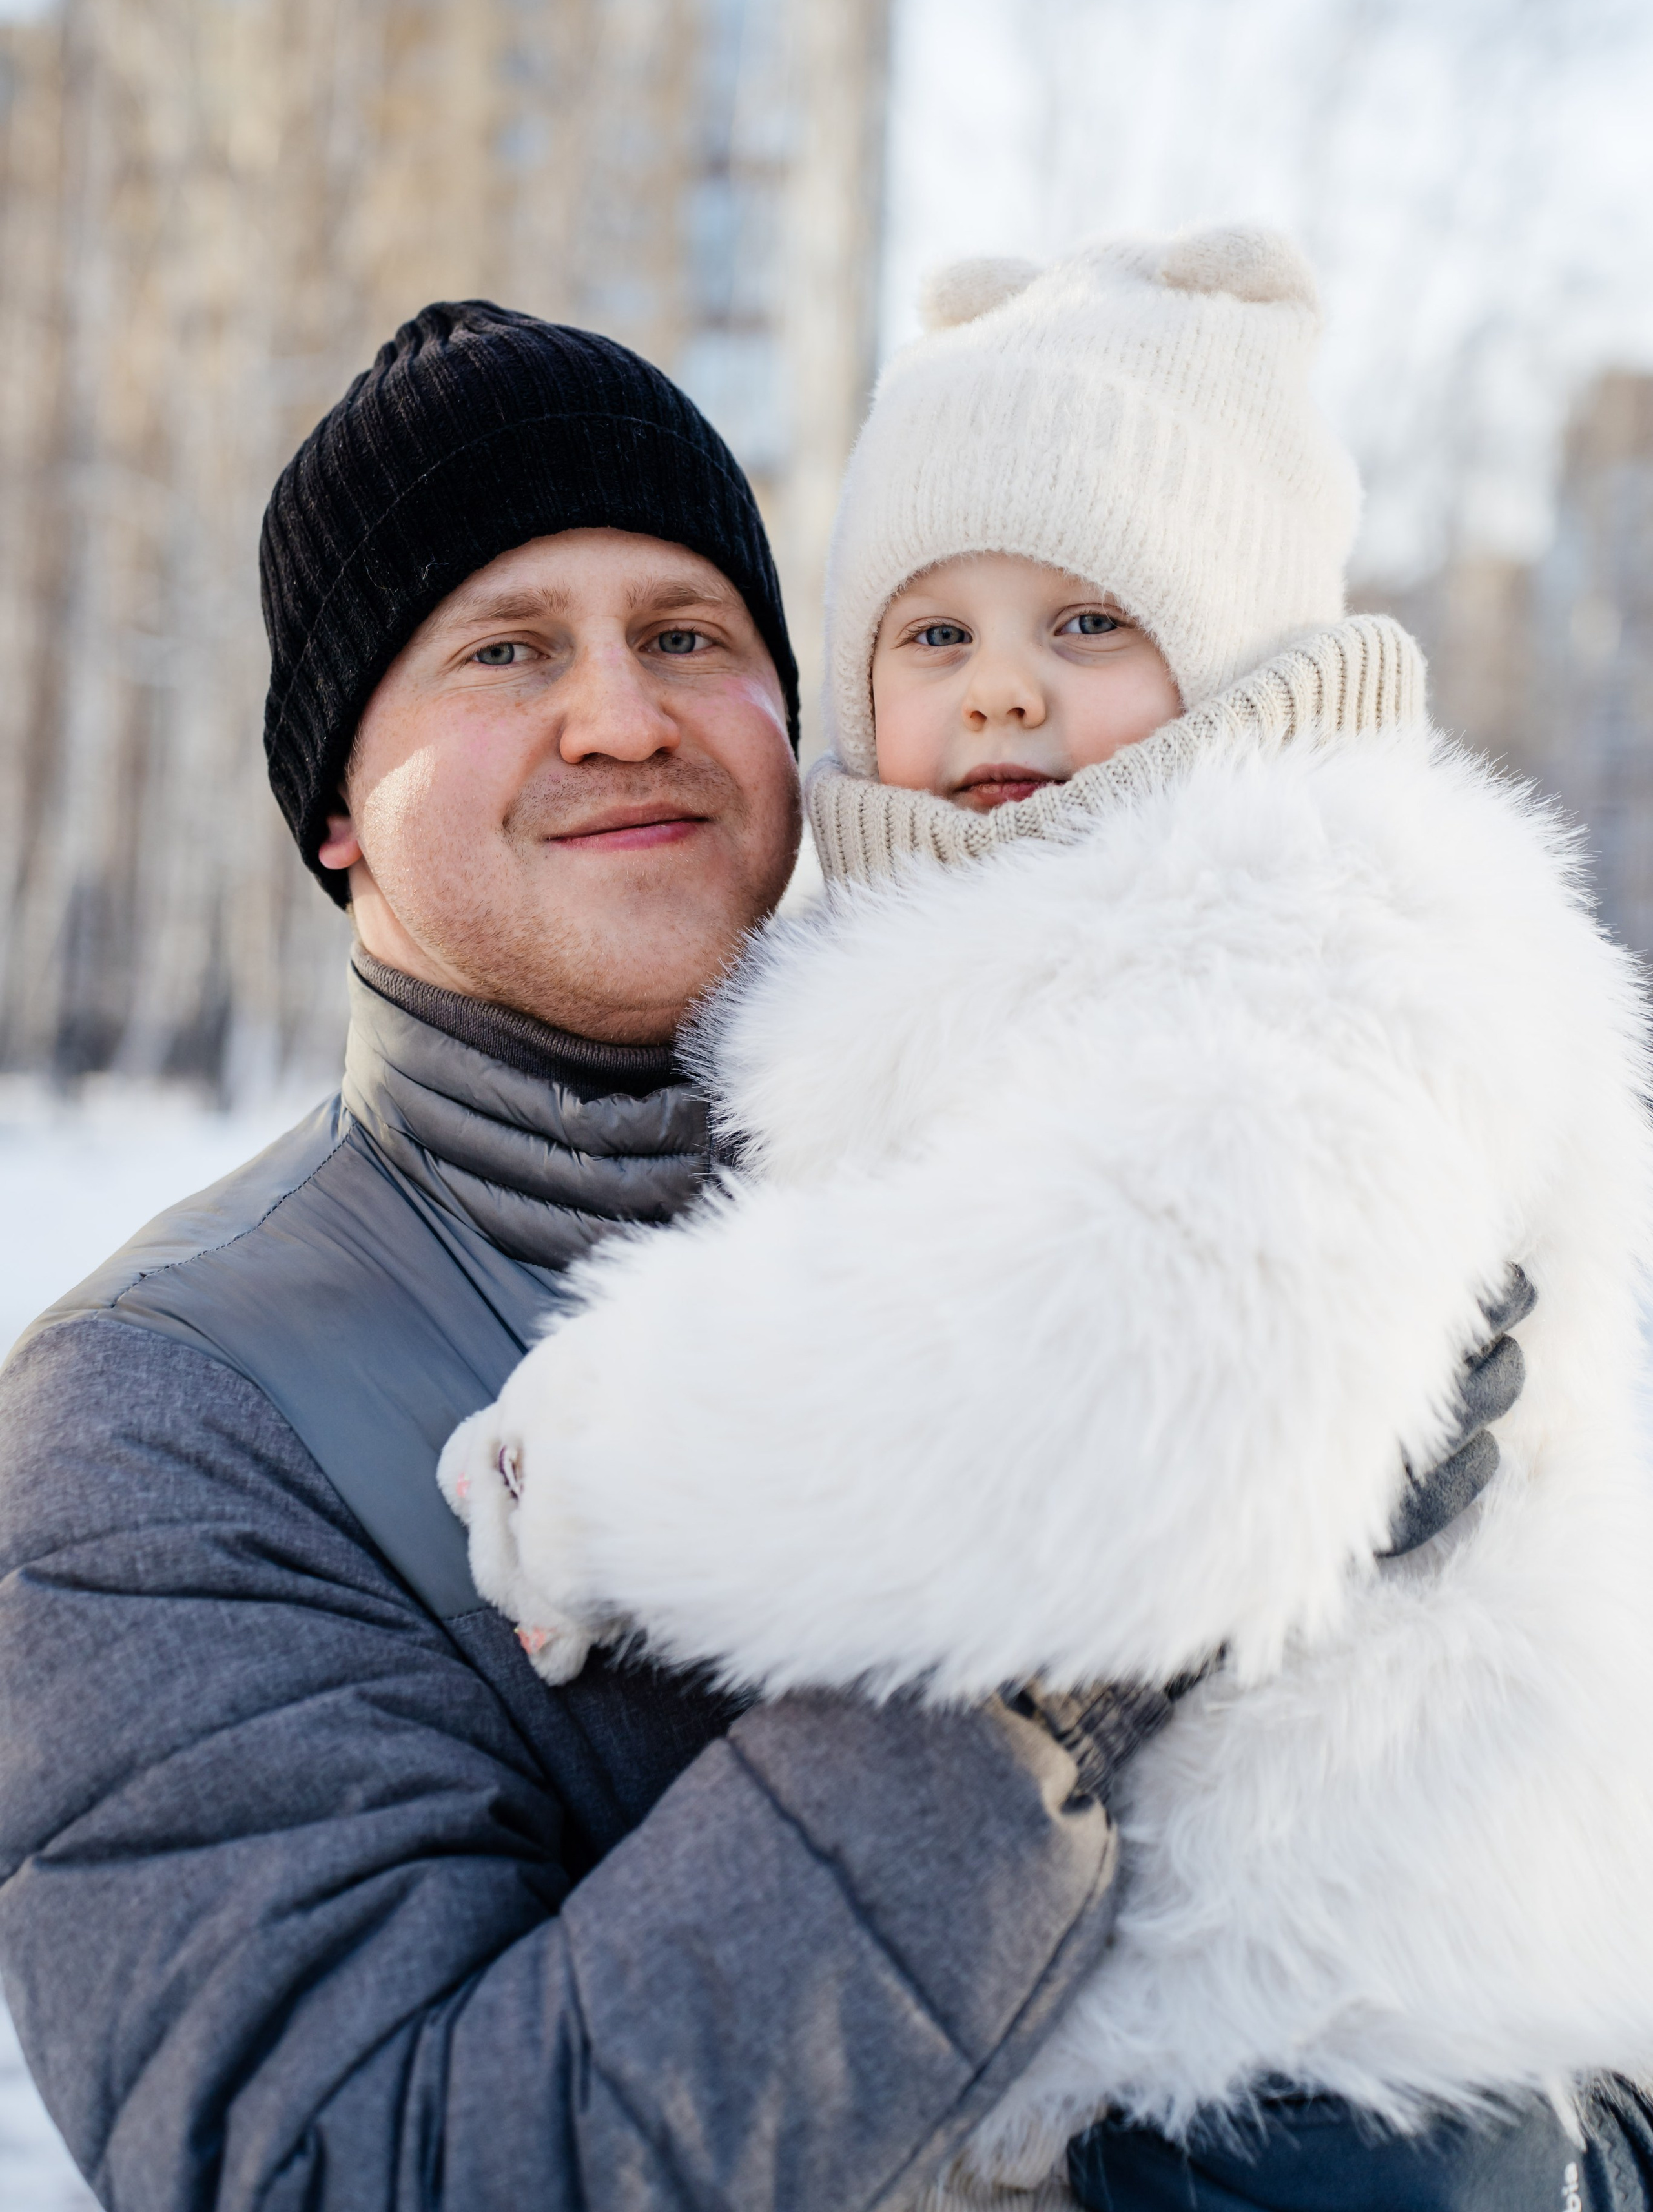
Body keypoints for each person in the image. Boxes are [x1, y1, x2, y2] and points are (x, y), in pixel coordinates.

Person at [440, 233, 1653, 2212]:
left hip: (1342, 2061)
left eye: (1089, 621)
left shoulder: (1308, 936)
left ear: (1253, 656)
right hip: (1201, 2045)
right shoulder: (1034, 976)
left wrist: (602, 1459)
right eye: (933, 634)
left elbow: (1073, 1412)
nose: (1001, 683)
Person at [0, 307, 1149, 2212]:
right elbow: (365, 2172)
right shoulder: (161, 1424)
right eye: (505, 649)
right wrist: (1103, 1587)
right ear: (334, 816)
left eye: (689, 637)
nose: (623, 716)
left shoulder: (1063, 1187)